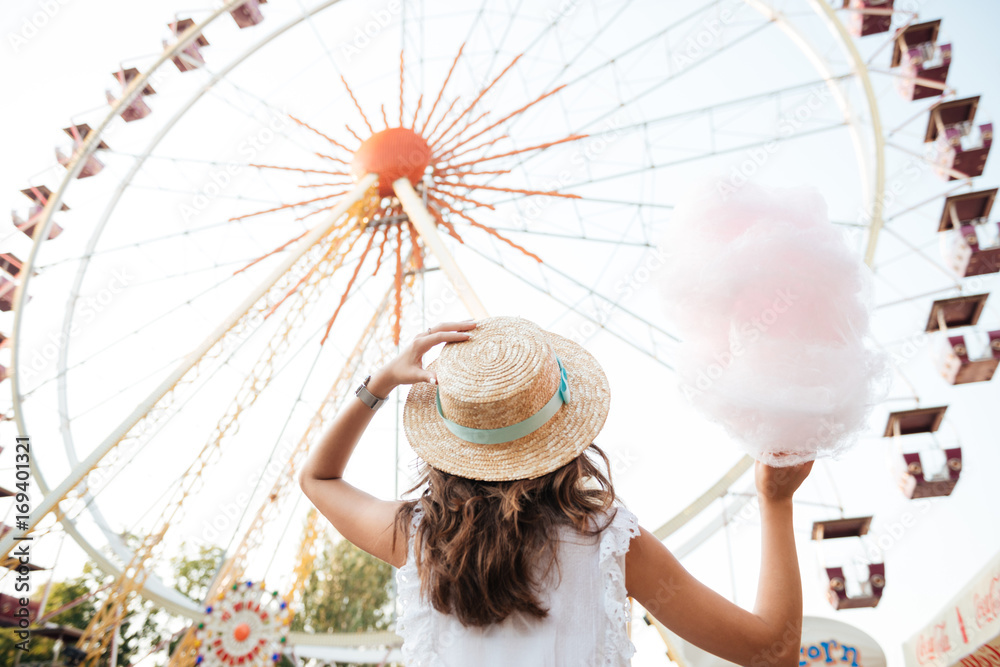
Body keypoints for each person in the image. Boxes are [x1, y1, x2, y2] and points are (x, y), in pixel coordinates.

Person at [299, 315, 813, 667]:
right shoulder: (611, 543)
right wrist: (776, 501)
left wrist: (381, 382)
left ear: (448, 438)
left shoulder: (419, 538)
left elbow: (317, 478)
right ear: (564, 427)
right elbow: (773, 650)